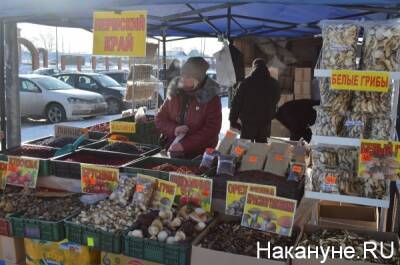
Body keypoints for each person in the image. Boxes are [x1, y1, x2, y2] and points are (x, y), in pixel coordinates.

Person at [155, 57, 222, 158]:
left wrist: (184, 145)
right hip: (172, 150)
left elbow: (211, 130)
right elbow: (159, 119)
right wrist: (174, 129)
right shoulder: (174, 93)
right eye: (182, 75)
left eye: (188, 77)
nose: (183, 79)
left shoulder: (211, 99)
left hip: (199, 155)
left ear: (198, 79)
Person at [229, 58, 280, 143]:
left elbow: (237, 102)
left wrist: (233, 119)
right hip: (265, 122)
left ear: (253, 68)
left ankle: (245, 156)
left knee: (245, 148)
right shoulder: (274, 83)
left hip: (248, 123)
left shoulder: (246, 82)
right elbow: (276, 99)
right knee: (261, 150)